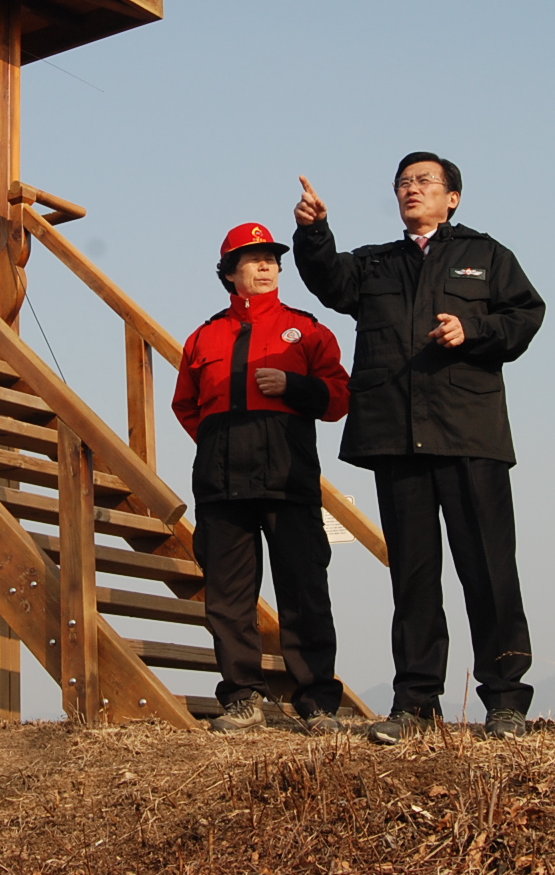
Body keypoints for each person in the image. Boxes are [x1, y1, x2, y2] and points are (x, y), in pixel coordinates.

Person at [292, 153, 545, 743]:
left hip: (469, 434)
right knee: (413, 575)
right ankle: (414, 702)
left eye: (424, 181)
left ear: (452, 197)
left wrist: (473, 330)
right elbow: (329, 281)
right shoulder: (377, 263)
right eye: (403, 183)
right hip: (396, 438)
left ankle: (505, 699)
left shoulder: (486, 256)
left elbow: (527, 316)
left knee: (488, 570)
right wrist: (313, 232)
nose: (411, 190)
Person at [173, 223, 352, 734]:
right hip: (219, 483)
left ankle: (317, 702)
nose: (266, 265)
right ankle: (242, 698)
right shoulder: (203, 337)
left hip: (289, 479)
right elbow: (186, 407)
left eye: (272, 257)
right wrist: (220, 447)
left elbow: (339, 398)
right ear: (230, 273)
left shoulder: (309, 329)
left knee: (304, 591)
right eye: (252, 259)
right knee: (228, 598)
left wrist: (294, 387)